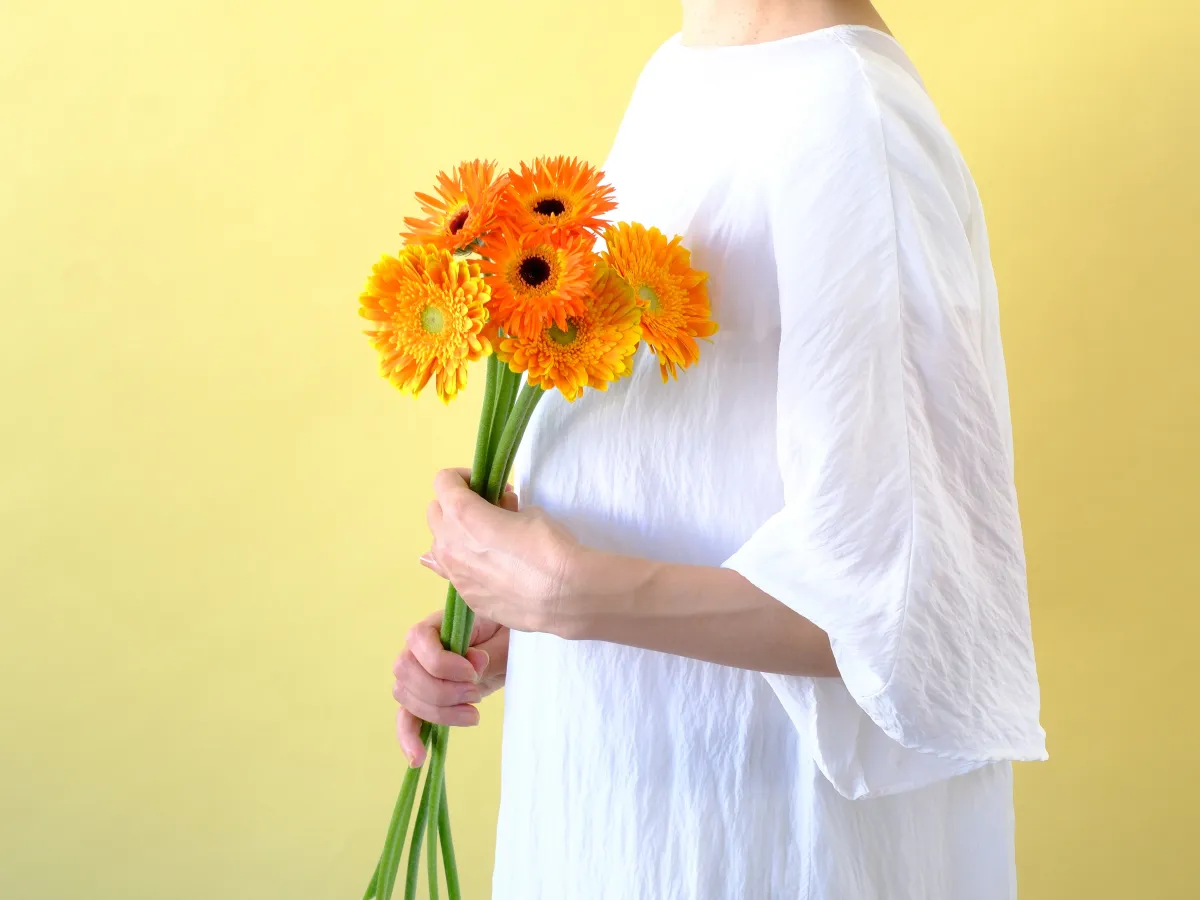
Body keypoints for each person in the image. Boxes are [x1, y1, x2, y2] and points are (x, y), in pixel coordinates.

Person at [392, 1, 1046, 897]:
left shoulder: (850, 123)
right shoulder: (685, 75)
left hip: (756, 838)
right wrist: (510, 617)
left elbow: (916, 608)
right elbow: (704, 480)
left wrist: (570, 591)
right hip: (625, 806)